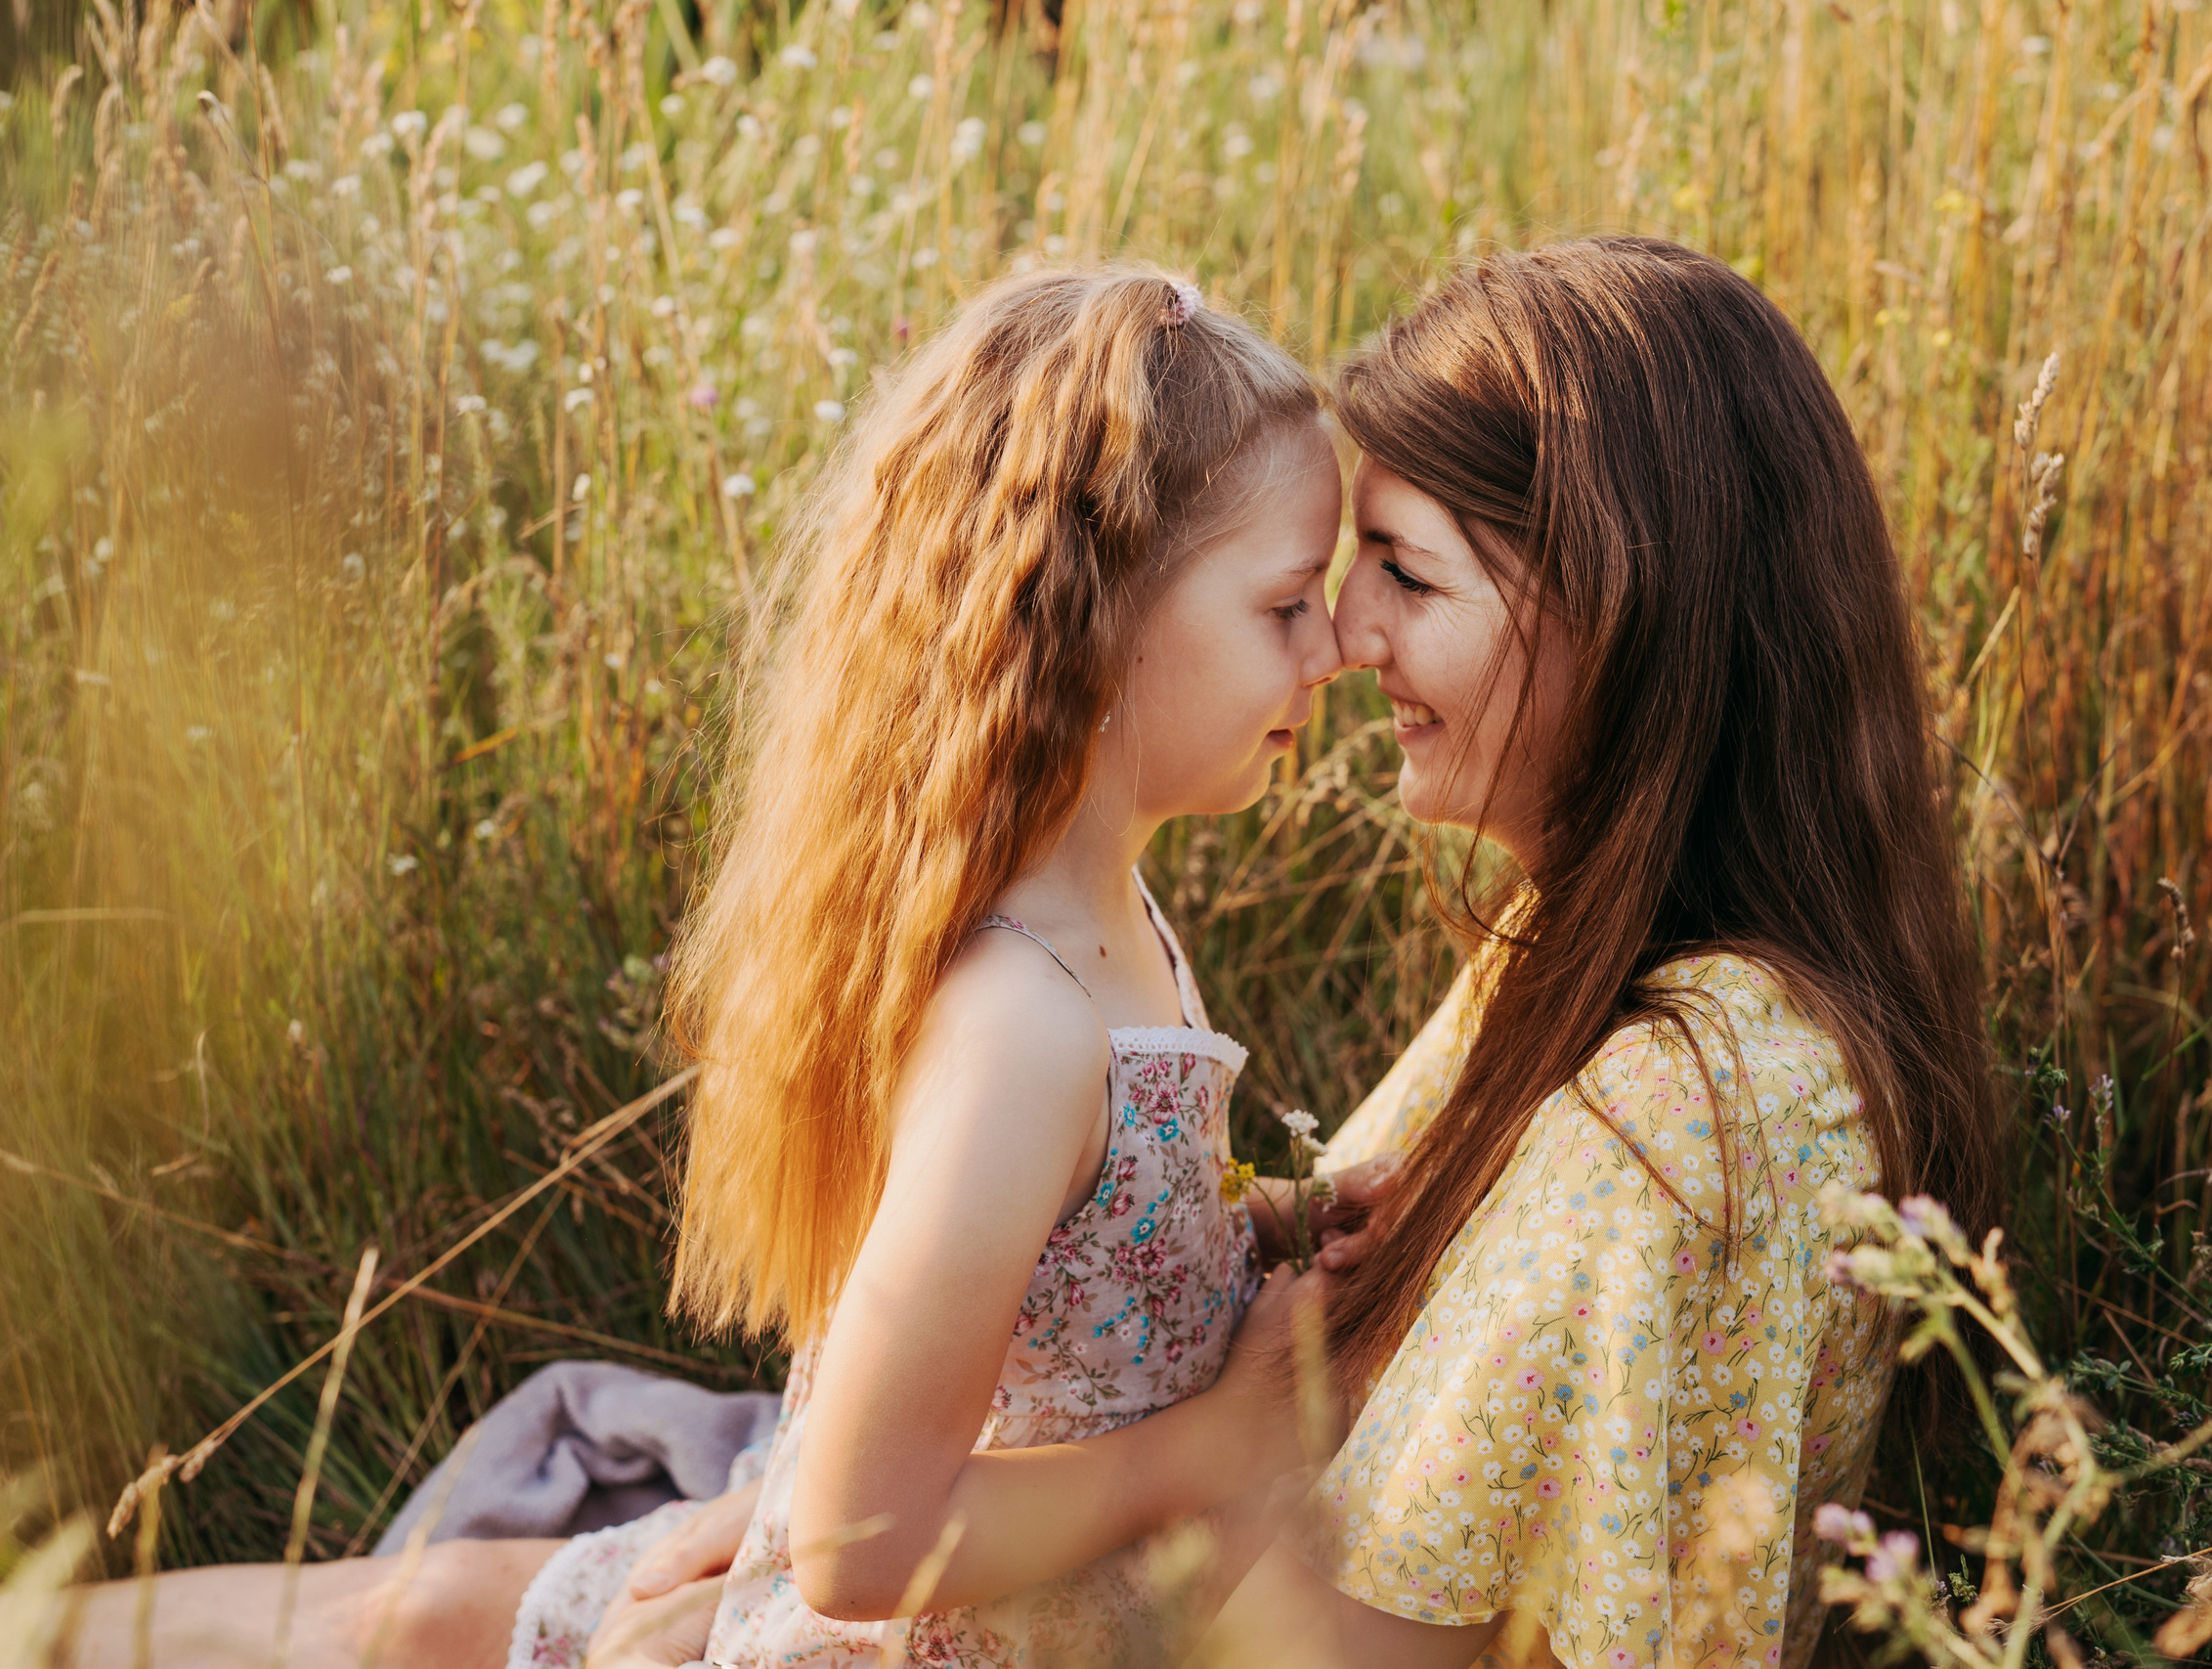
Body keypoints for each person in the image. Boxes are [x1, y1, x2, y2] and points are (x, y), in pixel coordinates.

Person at [65, 265, 1345, 1669]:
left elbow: (1079, 1262)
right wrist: (1195, 1457)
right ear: (1104, 617)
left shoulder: (1106, 916)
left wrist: (1279, 1218)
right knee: (425, 1623)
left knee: (430, 1617)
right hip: (935, 1629)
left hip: (1040, 1572)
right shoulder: (1025, 1027)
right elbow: (863, 1543)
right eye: (1286, 606)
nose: (1335, 647)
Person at [1204, 237, 2003, 1669]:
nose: (1345, 634)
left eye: (1407, 574)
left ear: (1629, 614)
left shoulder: (1681, 1099)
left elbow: (1327, 1648)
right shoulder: (1593, 953)